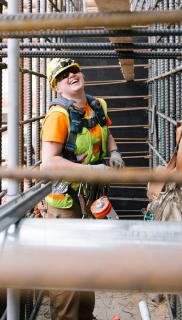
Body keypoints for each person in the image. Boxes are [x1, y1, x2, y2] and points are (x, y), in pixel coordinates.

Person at [41, 58, 124, 320]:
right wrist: (91, 171)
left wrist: (114, 151)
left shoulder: (98, 106)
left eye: (74, 70)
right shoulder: (58, 115)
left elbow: (106, 132)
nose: (72, 75)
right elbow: (49, 162)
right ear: (57, 87)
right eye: (64, 75)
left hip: (91, 197)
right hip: (65, 200)